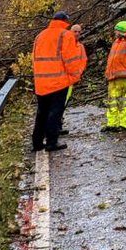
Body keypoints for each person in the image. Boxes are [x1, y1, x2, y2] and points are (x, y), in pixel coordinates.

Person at [31, 11, 84, 152]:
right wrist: (75, 77)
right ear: (66, 22)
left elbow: (34, 59)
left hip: (41, 82)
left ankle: (36, 143)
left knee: (41, 113)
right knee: (55, 113)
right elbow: (70, 60)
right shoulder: (66, 35)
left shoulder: (40, 36)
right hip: (58, 82)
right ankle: (51, 143)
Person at [102, 20, 126, 132]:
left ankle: (124, 124)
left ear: (121, 31)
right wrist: (107, 74)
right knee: (112, 102)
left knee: (124, 102)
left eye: (117, 30)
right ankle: (112, 123)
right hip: (113, 77)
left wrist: (125, 35)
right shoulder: (116, 43)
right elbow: (111, 60)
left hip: (124, 77)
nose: (115, 32)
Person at [60, 23, 88, 135]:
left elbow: (83, 61)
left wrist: (78, 73)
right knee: (59, 103)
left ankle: (58, 125)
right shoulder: (64, 45)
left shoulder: (80, 47)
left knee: (64, 103)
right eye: (74, 31)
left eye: (78, 32)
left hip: (71, 80)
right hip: (61, 79)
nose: (76, 34)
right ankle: (55, 126)